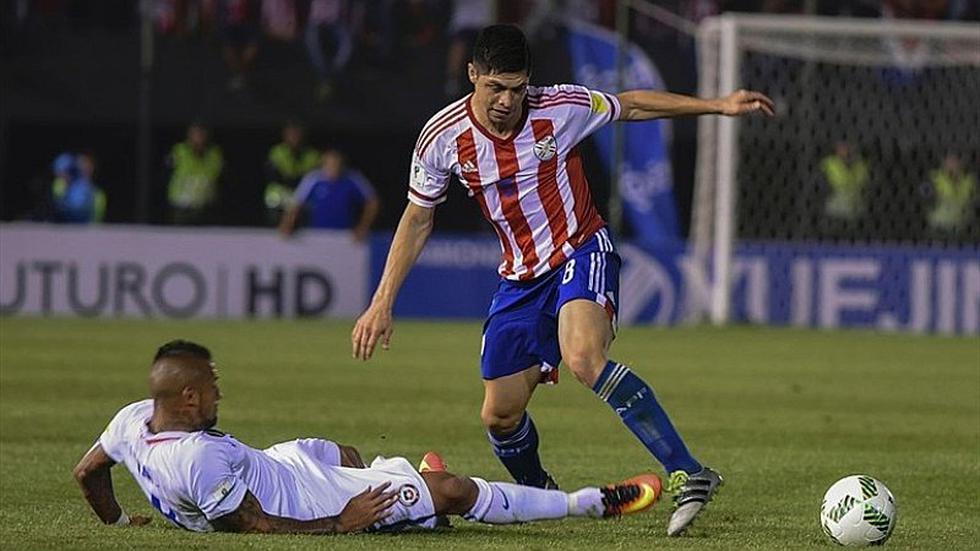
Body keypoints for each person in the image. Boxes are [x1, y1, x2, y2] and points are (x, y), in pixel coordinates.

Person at [351, 24, 775, 537]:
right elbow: (418, 217)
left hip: (582, 248)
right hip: (519, 279)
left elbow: (631, 105)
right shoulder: (443, 139)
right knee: (499, 415)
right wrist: (382, 302)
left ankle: (690, 472)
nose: (508, 101)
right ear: (472, 76)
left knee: (584, 358)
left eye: (517, 87)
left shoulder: (560, 108)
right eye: (496, 88)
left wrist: (716, 105)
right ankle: (542, 496)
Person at [72, 340, 662, 534]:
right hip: (304, 503)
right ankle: (588, 503)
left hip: (276, 464)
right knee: (453, 490)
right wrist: (341, 521)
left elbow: (88, 472)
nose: (221, 395)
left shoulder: (132, 421)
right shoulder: (195, 457)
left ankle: (401, 474)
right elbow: (252, 528)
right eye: (213, 387)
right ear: (190, 399)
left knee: (344, 453)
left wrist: (120, 523)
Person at [278, 149, 379, 241]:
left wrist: (363, 226)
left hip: (346, 235)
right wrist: (288, 223)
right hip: (317, 234)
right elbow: (296, 203)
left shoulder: (353, 178)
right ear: (323, 164)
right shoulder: (313, 179)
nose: (333, 168)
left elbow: (372, 202)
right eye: (330, 164)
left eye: (337, 164)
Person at [165, 122, 224, 225]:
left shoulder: (214, 153)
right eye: (196, 133)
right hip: (182, 203)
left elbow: (217, 171)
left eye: (201, 134)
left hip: (205, 203)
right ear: (189, 134)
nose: (198, 137)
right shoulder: (180, 150)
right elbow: (168, 166)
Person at [264, 121, 320, 225]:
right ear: (285, 136)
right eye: (291, 134)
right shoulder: (277, 152)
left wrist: (298, 185)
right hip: (280, 194)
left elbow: (313, 178)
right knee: (276, 210)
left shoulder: (312, 154)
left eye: (297, 134)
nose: (294, 138)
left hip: (302, 194)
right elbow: (273, 176)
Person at [927, 152, 976, 233]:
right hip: (938, 227)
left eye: (956, 159)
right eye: (950, 159)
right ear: (943, 162)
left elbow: (974, 201)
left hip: (963, 227)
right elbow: (925, 198)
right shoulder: (933, 177)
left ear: (962, 162)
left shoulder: (970, 180)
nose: (953, 163)